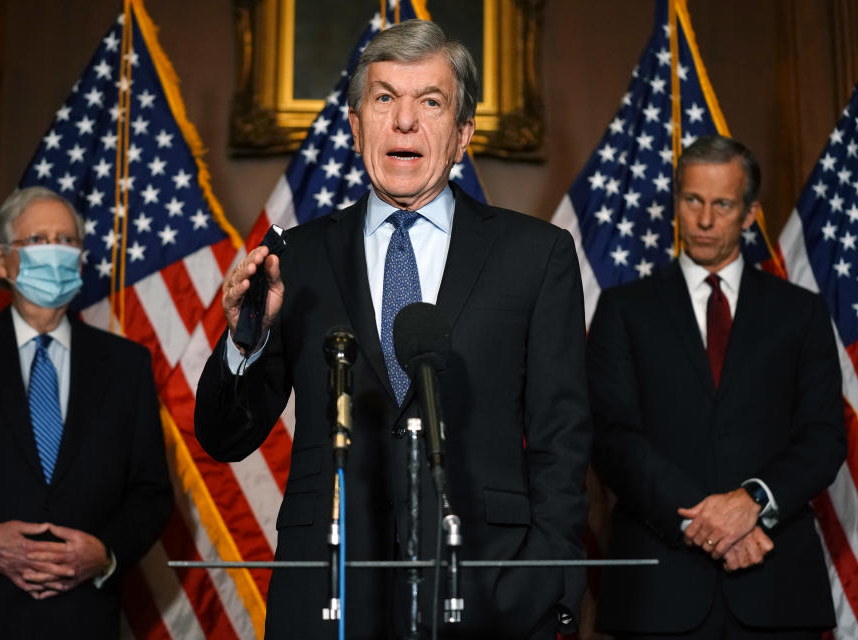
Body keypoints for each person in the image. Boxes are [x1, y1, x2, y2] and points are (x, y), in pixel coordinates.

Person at [195, 19, 590, 639]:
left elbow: (561, 439)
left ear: (463, 135)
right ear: (356, 128)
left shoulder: (536, 256)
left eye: (430, 102)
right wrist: (246, 343)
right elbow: (224, 439)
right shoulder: (295, 258)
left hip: (487, 589)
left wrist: (547, 578)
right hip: (330, 589)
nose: (404, 121)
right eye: (384, 99)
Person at [588, 134, 845, 638]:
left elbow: (823, 436)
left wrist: (751, 502)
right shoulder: (623, 310)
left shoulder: (801, 313)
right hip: (658, 592)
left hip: (775, 587)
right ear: (677, 202)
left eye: (723, 204)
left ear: (750, 214)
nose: (704, 220)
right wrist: (706, 525)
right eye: (693, 201)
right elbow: (612, 437)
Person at [0, 187, 174, 638]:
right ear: (2, 261)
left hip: (81, 620)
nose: (56, 253)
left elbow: (151, 493)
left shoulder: (127, 366)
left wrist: (105, 553)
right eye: (39, 241)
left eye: (66, 241)